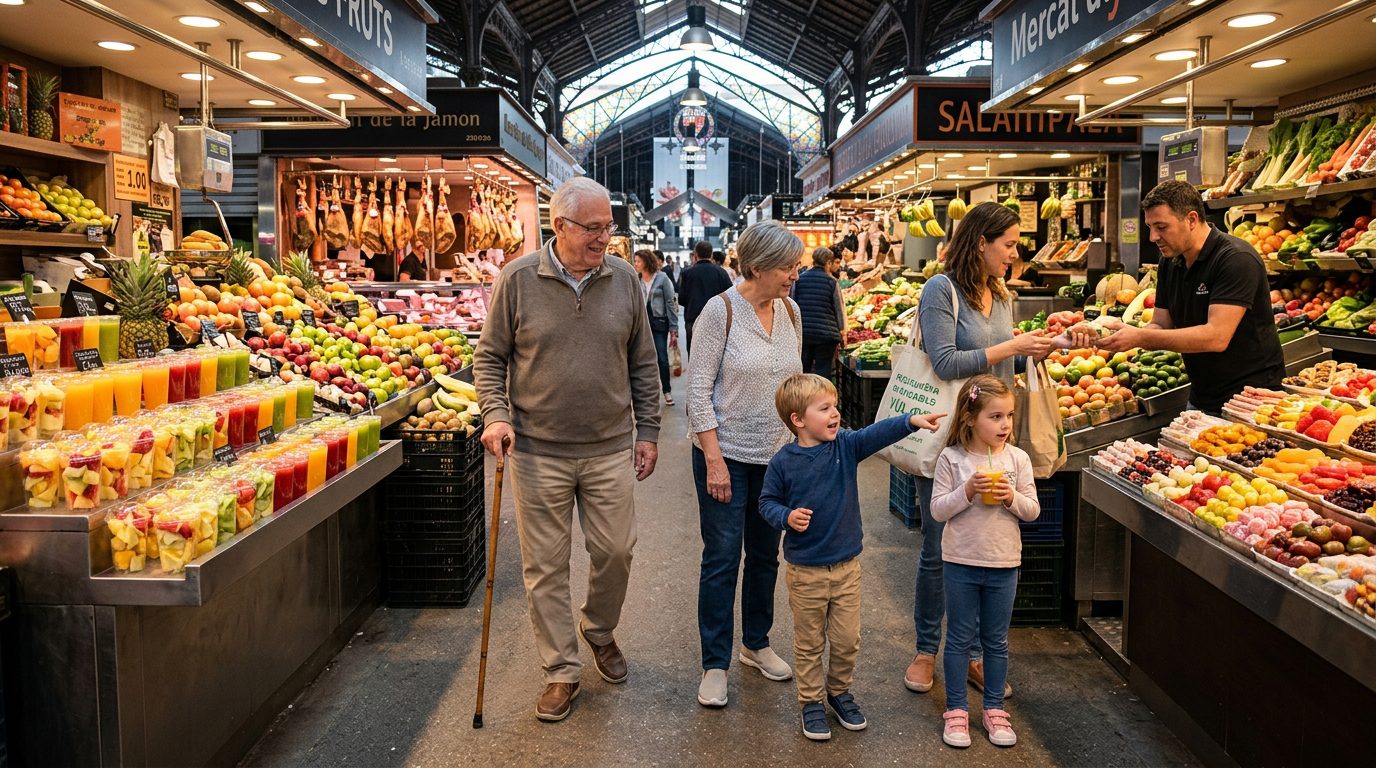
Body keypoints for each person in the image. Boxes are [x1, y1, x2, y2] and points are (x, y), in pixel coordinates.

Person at [472, 176, 662, 723]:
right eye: (594, 228)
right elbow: (490, 359)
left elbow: (644, 363)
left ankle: (598, 629)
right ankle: (561, 671)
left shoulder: (625, 279)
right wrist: (496, 414)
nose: (605, 237)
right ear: (560, 226)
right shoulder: (517, 279)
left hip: (607, 447)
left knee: (616, 551)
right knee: (545, 567)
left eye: (609, 226)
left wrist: (647, 430)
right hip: (536, 450)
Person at [906, 201, 1054, 699]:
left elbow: (1001, 370)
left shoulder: (1002, 294)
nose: (1015, 254)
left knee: (984, 547)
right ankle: (927, 649)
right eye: (1008, 245)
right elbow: (946, 362)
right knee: (937, 550)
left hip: (992, 441)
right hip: (949, 437)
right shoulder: (940, 290)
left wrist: (1041, 346)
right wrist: (1010, 347)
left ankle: (968, 653)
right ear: (980, 243)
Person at [759, 373, 945, 741]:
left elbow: (874, 435)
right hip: (806, 571)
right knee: (809, 642)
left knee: (846, 640)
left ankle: (839, 691)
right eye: (824, 408)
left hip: (847, 568)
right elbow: (767, 502)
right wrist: (786, 517)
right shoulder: (783, 462)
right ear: (798, 420)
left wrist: (909, 421)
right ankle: (811, 701)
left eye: (835, 407)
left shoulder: (844, 445)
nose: (835, 414)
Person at [687, 221, 805, 709]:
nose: (795, 275)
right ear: (756, 267)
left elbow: (795, 383)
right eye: (787, 267)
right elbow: (697, 392)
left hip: (776, 459)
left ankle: (755, 644)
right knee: (721, 559)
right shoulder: (720, 312)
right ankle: (714, 664)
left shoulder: (791, 310)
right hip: (726, 457)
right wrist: (713, 458)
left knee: (764, 556)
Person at [1093, 180, 1284, 414]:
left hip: (1251, 398)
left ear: (1191, 220)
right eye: (1150, 227)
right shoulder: (1170, 261)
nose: (1153, 236)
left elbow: (1216, 337)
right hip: (1202, 395)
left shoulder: (1235, 259)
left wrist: (1139, 337)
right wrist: (1117, 331)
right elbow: (1161, 324)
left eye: (1161, 227)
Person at [929, 375, 1040, 749]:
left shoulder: (1018, 459)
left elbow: (1033, 511)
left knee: (995, 640)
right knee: (959, 637)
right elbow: (938, 510)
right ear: (970, 417)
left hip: (1004, 562)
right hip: (960, 560)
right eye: (995, 416)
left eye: (1009, 416)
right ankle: (957, 710)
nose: (1005, 424)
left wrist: (1010, 497)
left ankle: (994, 708)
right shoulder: (952, 459)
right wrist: (968, 490)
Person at [791, 246, 846, 379]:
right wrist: (842, 330)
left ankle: (803, 398)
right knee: (823, 371)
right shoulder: (832, 282)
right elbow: (839, 308)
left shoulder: (800, 280)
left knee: (803, 370)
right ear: (828, 262)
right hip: (826, 334)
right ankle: (821, 398)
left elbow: (792, 303)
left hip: (804, 332)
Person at [634, 249, 679, 406]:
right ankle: (646, 393)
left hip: (659, 322)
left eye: (638, 261)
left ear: (646, 261)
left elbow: (670, 302)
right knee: (641, 359)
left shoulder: (662, 278)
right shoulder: (636, 279)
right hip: (640, 323)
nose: (636, 264)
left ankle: (666, 391)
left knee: (661, 357)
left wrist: (674, 329)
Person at [678, 240, 734, 356]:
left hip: (693, 319)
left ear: (695, 255)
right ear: (711, 255)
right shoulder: (721, 273)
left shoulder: (687, 273)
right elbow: (731, 296)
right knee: (716, 355)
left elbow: (681, 299)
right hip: (717, 320)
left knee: (694, 354)